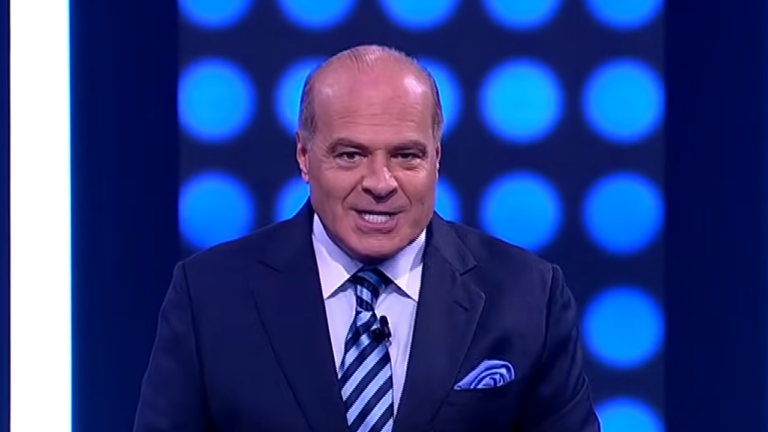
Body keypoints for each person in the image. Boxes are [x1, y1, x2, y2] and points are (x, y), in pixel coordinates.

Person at [133, 44, 600, 432]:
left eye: (406, 155)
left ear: (437, 158)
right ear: (304, 157)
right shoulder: (209, 296)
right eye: (351, 155)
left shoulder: (526, 295)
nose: (380, 182)